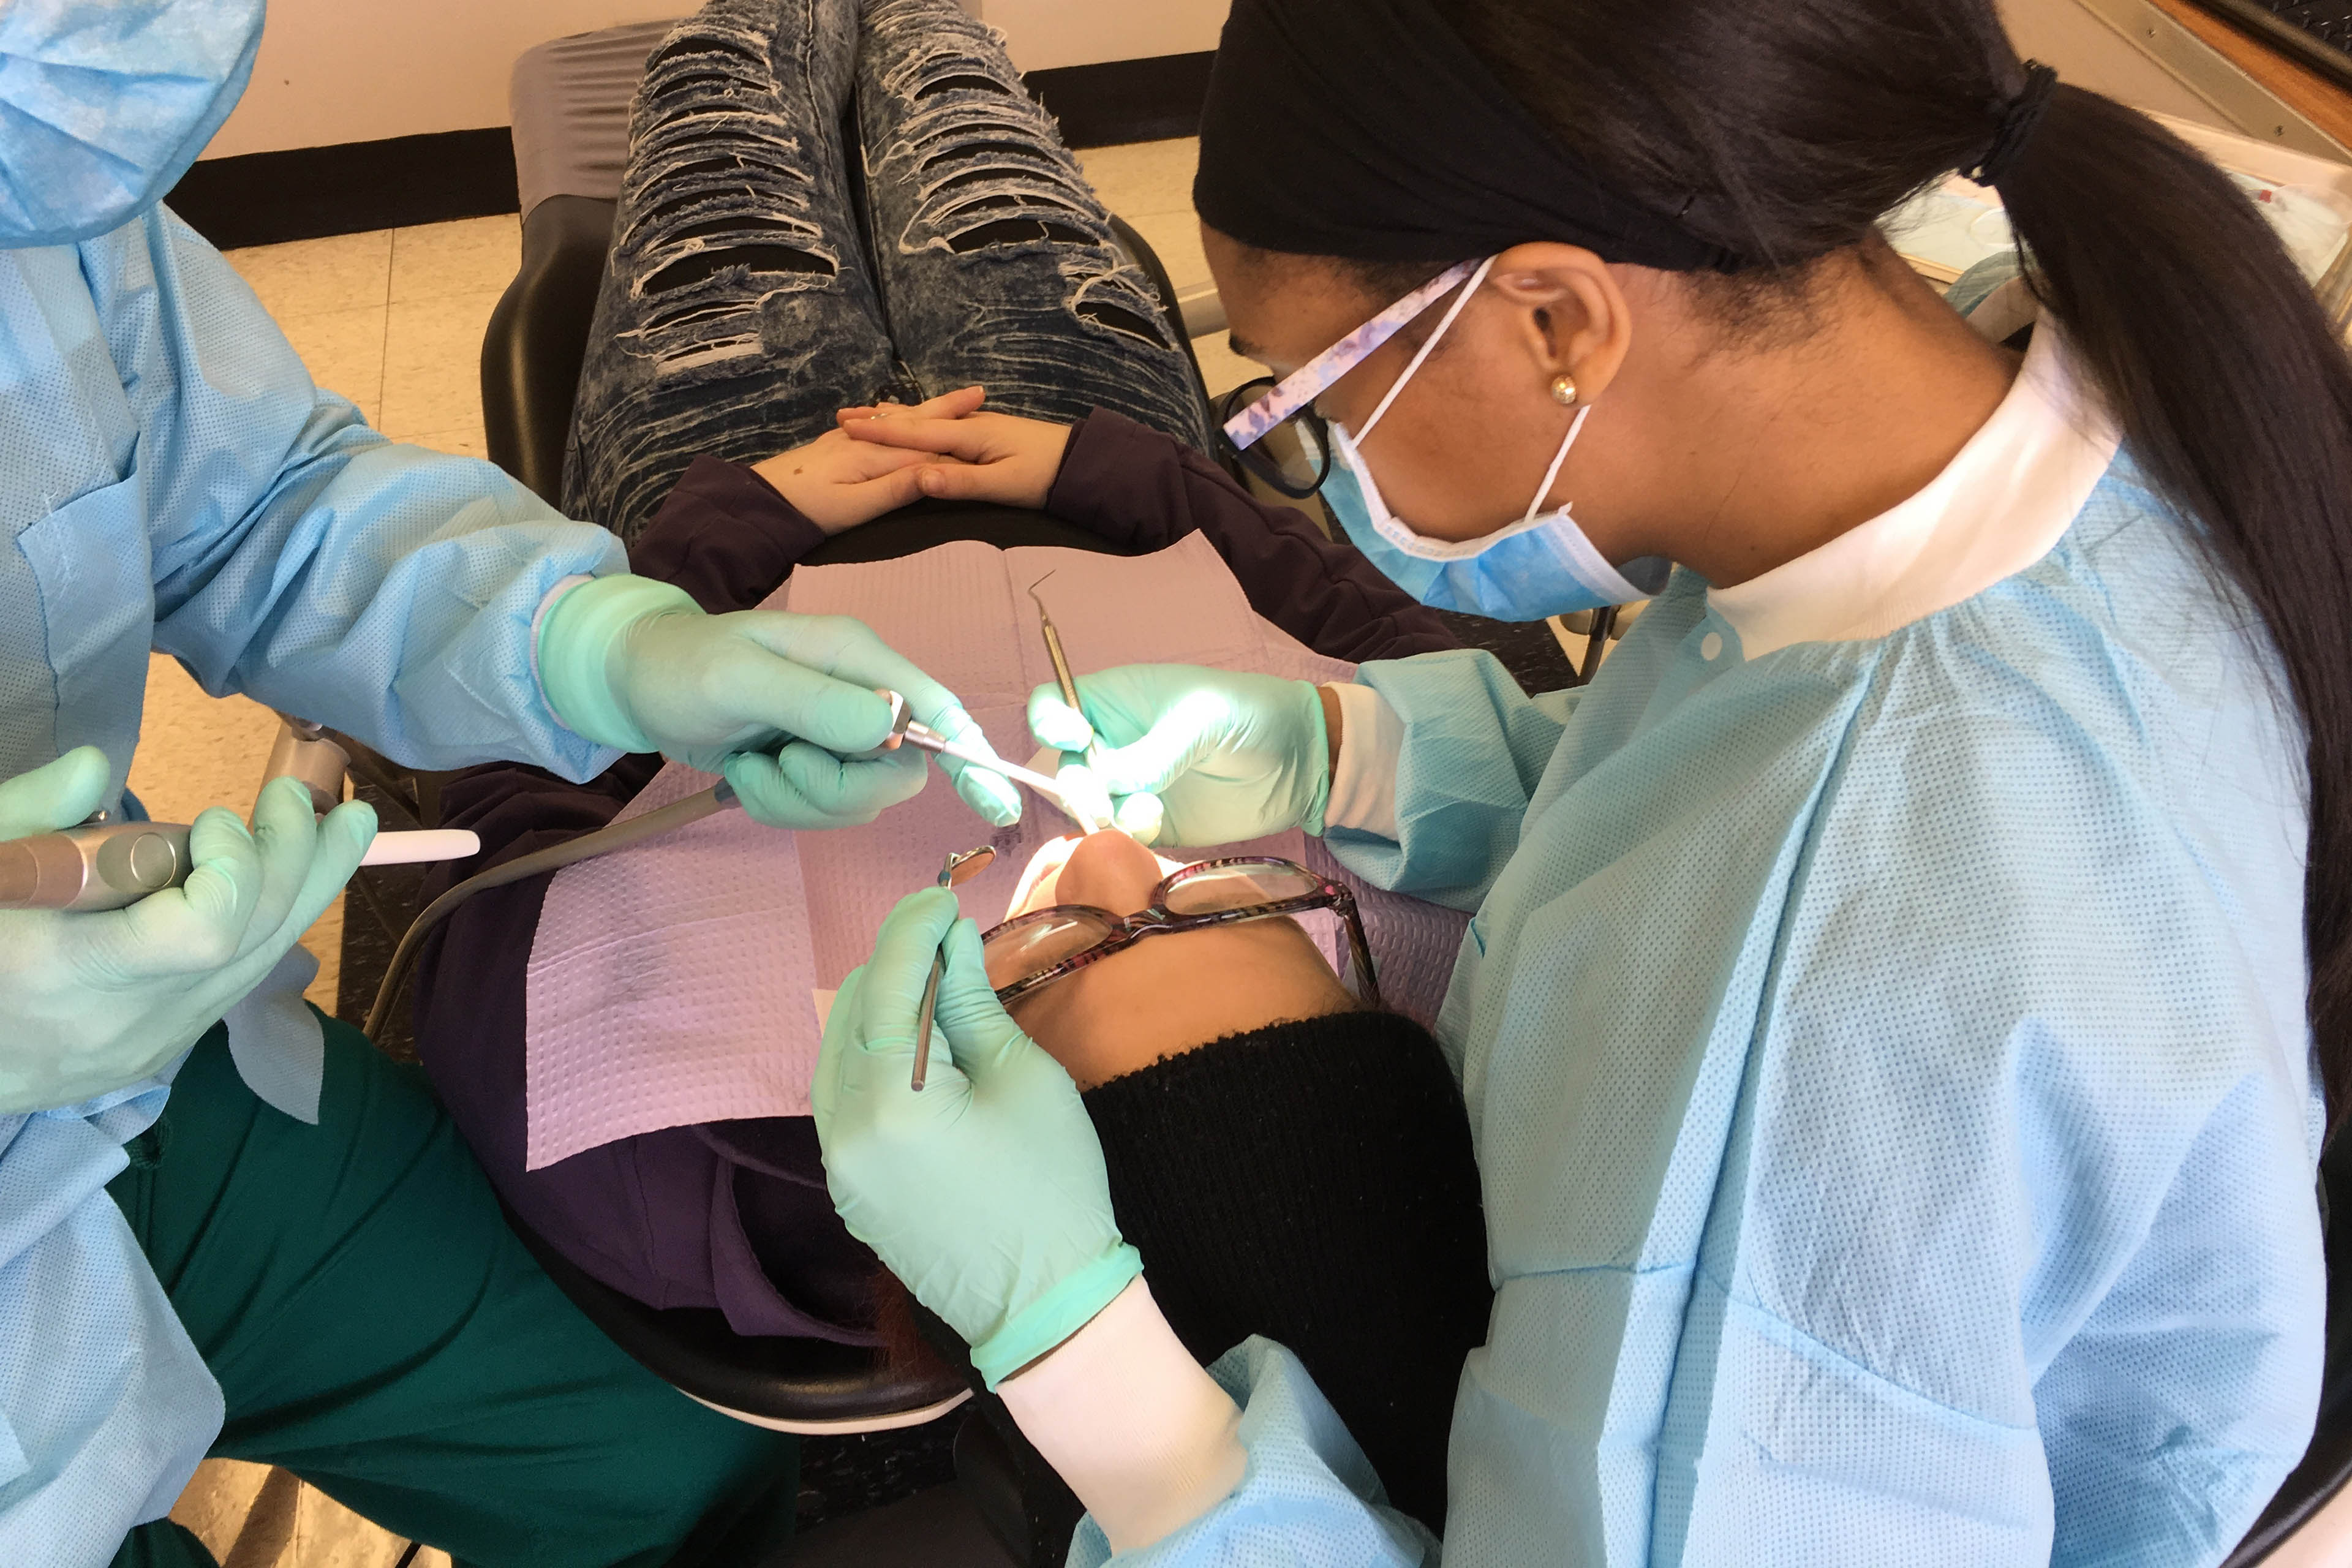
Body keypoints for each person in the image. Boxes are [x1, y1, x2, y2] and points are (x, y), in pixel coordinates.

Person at [812, 0, 2351, 1562]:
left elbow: (1804, 875)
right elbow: (1723, 782)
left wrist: (1086, 1365)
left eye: (1308, 407)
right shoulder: (2040, 397)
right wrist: (1345, 748)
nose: (1322, 469)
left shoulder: (1828, 1036)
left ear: (1555, 323)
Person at [404, 5, 1489, 1548]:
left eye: (1067, 953)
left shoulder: (664, 1164)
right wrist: (1110, 473)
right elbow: (1397, 637)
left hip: (731, 484)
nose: (1114, 853)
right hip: (1076, 439)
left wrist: (731, 534)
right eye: (1226, 898)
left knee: (725, 96)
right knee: (941, 68)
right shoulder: (1459, 932)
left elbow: (499, 781)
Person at [0, 0, 1045, 1562]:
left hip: (135, 1077)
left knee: (658, 1469)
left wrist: (595, 642)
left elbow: (259, 506)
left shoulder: (44, 203)